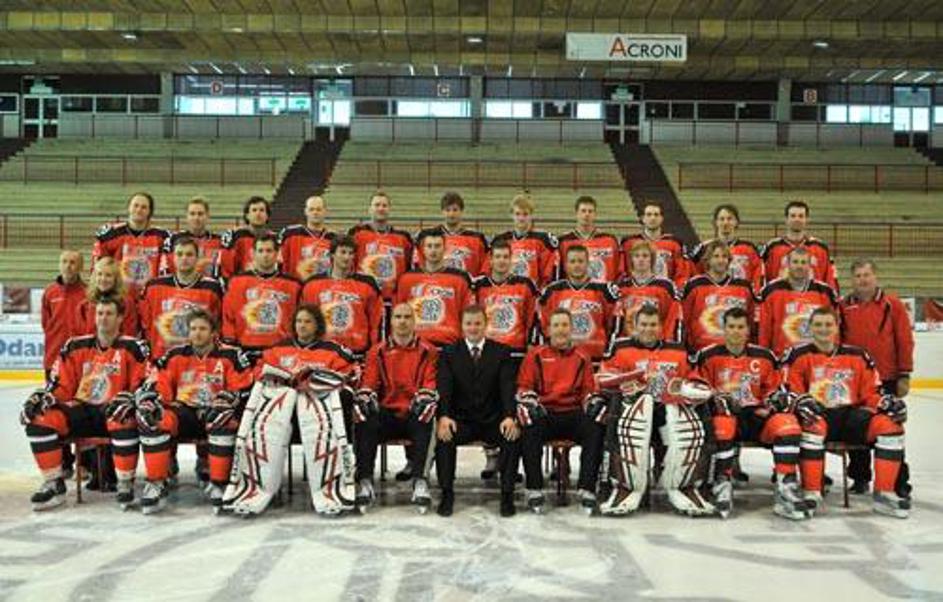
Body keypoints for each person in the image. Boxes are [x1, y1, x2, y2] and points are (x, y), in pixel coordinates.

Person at [224, 305, 360, 516]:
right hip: (280, 414)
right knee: (260, 429)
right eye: (299, 321)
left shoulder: (334, 351)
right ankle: (257, 486)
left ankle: (328, 488)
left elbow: (349, 376)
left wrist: (315, 381)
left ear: (317, 325)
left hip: (317, 414)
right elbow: (259, 372)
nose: (302, 326)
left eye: (308, 321)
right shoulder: (277, 349)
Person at [781, 307, 910, 518]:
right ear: (810, 327)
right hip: (818, 416)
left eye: (828, 324)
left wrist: (886, 401)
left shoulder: (858, 355)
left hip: (852, 418)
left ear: (837, 327)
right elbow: (791, 391)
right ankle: (812, 491)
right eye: (818, 324)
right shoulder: (797, 355)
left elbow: (871, 392)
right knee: (812, 425)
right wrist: (802, 403)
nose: (823, 329)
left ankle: (885, 494)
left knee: (890, 426)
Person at [21, 297, 149, 510]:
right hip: (81, 410)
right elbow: (61, 385)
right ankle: (54, 484)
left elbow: (142, 383)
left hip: (113, 410)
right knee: (40, 418)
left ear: (120, 318)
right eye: (100, 313)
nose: (103, 318)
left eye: (109, 314)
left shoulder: (134, 347)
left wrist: (131, 399)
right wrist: (48, 396)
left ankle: (125, 483)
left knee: (125, 417)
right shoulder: (74, 346)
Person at [596, 305, 715, 517]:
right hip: (632, 412)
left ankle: (685, 484)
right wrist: (629, 381)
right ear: (635, 326)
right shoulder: (621, 348)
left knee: (689, 427)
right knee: (622, 418)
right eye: (643, 324)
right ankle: (624, 485)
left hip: (669, 412)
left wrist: (689, 389)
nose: (648, 329)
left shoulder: (678, 351)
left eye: (653, 324)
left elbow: (695, 379)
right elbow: (604, 378)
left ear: (661, 327)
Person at [693, 307, 809, 520]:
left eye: (740, 327)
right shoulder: (707, 356)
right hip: (727, 416)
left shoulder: (765, 356)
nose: (736, 331)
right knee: (722, 425)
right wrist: (714, 398)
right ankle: (722, 482)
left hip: (757, 415)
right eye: (731, 327)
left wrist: (775, 399)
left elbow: (775, 389)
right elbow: (698, 387)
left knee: (788, 424)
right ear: (724, 329)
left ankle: (786, 488)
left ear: (748, 330)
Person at [136, 309, 254, 514]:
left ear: (213, 332)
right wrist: (153, 400)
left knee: (224, 419)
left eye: (202, 329)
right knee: (155, 418)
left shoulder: (232, 355)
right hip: (183, 411)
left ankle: (219, 484)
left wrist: (228, 400)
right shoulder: (174, 355)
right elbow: (159, 383)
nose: (197, 333)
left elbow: (244, 387)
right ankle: (156, 483)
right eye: (193, 329)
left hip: (215, 412)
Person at [435, 306, 520, 517]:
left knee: (511, 436)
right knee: (444, 437)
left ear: (485, 325)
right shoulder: (449, 353)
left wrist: (510, 416)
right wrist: (444, 416)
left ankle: (507, 494)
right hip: (461, 421)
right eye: (469, 323)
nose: (473, 328)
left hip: (493, 421)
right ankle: (447, 493)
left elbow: (507, 388)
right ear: (462, 326)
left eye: (477, 323)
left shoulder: (501, 352)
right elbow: (445, 388)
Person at [839, 258, 915, 497]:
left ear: (875, 277)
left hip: (887, 377)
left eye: (866, 275)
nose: (862, 280)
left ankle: (898, 481)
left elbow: (904, 340)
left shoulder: (893, 305)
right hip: (854, 380)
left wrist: (904, 373)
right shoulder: (843, 306)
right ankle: (860, 477)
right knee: (856, 427)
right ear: (852, 280)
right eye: (858, 276)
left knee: (890, 428)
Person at [353, 303, 439, 512]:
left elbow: (430, 383)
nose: (402, 321)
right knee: (363, 416)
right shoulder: (377, 351)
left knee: (427, 415)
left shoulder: (429, 351)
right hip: (386, 413)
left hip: (413, 412)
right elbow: (369, 383)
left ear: (414, 321)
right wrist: (366, 398)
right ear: (391, 321)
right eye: (398, 317)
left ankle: (420, 481)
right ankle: (365, 481)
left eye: (407, 317)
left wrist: (423, 399)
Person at [516, 308, 602, 514]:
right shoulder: (535, 355)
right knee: (529, 427)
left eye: (565, 325)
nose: (561, 330)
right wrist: (532, 403)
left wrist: (591, 402)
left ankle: (587, 488)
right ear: (548, 330)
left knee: (596, 427)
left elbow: (588, 389)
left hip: (572, 412)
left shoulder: (582, 356)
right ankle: (534, 488)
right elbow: (524, 387)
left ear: (571, 329)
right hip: (545, 412)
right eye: (556, 325)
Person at [138, 236, 224, 359]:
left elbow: (218, 324)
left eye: (189, 254)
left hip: (197, 359)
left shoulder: (212, 288)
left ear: (197, 258)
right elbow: (145, 323)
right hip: (161, 357)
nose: (184, 258)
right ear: (172, 257)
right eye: (179, 254)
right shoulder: (153, 287)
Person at [300, 235, 383, 358]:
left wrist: (374, 350)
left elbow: (376, 321)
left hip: (357, 353)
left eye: (351, 253)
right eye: (343, 252)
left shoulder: (368, 284)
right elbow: (306, 320)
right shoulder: (312, 284)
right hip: (322, 353)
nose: (347, 257)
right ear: (332, 254)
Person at [222, 234, 301, 354]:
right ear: (253, 254)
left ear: (277, 253)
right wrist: (230, 343)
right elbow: (228, 316)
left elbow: (298, 319)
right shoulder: (236, 282)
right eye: (260, 251)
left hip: (280, 350)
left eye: (269, 251)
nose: (265, 255)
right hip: (245, 348)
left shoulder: (293, 285)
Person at [539, 245, 619, 361]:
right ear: (566, 265)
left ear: (588, 264)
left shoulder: (605, 290)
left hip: (596, 356)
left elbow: (613, 325)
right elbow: (544, 325)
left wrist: (608, 352)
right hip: (562, 357)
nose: (577, 265)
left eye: (581, 261)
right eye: (572, 261)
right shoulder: (552, 291)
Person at [395, 232, 474, 347]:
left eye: (437, 246)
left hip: (449, 345)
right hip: (415, 346)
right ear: (423, 249)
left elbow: (468, 314)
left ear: (444, 248)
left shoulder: (460, 279)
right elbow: (397, 314)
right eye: (429, 246)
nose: (433, 250)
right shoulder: (406, 279)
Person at [758, 247, 838, 357]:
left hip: (816, 358)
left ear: (810, 266)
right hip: (783, 358)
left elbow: (834, 330)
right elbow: (764, 330)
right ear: (787, 264)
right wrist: (764, 357)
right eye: (795, 262)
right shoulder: (771, 291)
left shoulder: (825, 292)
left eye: (803, 262)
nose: (799, 266)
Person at [681, 240, 755, 353]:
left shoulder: (743, 286)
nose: (721, 260)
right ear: (708, 260)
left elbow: (750, 319)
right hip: (702, 349)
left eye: (724, 256)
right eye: (716, 256)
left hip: (735, 350)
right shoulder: (694, 285)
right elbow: (685, 319)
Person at [92, 191, 169, 290]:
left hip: (150, 292)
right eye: (135, 205)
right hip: (118, 292)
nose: (139, 210)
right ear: (129, 207)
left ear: (150, 212)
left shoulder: (161, 236)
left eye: (144, 207)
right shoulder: (111, 234)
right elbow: (98, 267)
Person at [349, 190, 414, 302]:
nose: (381, 208)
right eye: (377, 205)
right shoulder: (356, 234)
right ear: (369, 209)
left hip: (394, 299)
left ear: (389, 209)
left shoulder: (403, 238)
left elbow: (408, 268)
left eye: (384, 205)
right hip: (364, 297)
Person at [762, 200, 838, 291]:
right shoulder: (772, 247)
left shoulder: (821, 248)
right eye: (793, 216)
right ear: (786, 219)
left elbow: (831, 281)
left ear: (807, 219)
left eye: (801, 216)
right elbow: (762, 278)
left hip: (813, 298)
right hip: (780, 298)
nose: (797, 219)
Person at [687, 204, 764, 293]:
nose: (725, 223)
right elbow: (693, 274)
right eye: (722, 219)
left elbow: (758, 275)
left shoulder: (749, 248)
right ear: (716, 222)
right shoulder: (704, 248)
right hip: (713, 297)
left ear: (736, 222)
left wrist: (754, 293)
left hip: (741, 297)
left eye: (729, 219)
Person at [485, 193, 558, 288]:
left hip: (532, 292)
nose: (521, 218)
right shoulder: (501, 239)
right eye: (517, 214)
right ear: (511, 215)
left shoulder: (543, 241)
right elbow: (489, 270)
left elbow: (548, 274)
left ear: (531, 215)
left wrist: (542, 292)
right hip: (505, 291)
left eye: (525, 214)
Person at [615, 240, 681, 342]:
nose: (641, 259)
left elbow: (671, 318)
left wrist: (667, 343)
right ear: (631, 260)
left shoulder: (666, 286)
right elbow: (617, 320)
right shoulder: (621, 287)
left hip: (656, 344)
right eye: (637, 256)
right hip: (629, 343)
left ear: (652, 259)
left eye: (645, 256)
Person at [413, 192, 488, 277]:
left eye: (455, 210)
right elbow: (418, 265)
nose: (451, 214)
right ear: (442, 211)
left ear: (461, 211)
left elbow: (485, 268)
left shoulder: (477, 238)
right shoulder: (427, 236)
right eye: (447, 210)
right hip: (436, 283)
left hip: (466, 283)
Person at [621, 201, 687, 289]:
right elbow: (622, 271)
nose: (652, 218)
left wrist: (674, 291)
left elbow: (681, 274)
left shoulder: (673, 243)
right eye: (649, 214)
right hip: (636, 292)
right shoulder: (629, 243)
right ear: (642, 218)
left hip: (664, 291)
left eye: (656, 215)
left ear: (662, 218)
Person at [41, 250, 85, 378]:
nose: (68, 266)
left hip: (80, 358)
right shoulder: (50, 292)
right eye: (64, 262)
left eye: (72, 262)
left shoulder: (88, 293)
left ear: (81, 267)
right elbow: (46, 324)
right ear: (59, 265)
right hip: (53, 357)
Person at [557, 196, 621, 283]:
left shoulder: (609, 240)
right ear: (576, 213)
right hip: (575, 290)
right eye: (583, 211)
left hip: (603, 289)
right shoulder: (563, 241)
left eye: (590, 211)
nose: (587, 214)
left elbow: (618, 270)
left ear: (595, 214)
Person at [76, 257, 140, 337]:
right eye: (99, 274)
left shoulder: (126, 304)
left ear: (116, 279)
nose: (103, 279)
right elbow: (80, 337)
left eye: (108, 275)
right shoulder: (84, 305)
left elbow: (129, 335)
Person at [278, 195, 337, 281]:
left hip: (323, 285)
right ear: (305, 211)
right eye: (311, 209)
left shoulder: (334, 238)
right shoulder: (290, 233)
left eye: (318, 209)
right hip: (297, 284)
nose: (315, 212)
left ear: (325, 211)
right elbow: (280, 261)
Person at [161, 196, 223, 277]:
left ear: (207, 216)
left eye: (200, 214)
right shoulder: (174, 240)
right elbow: (165, 269)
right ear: (187, 216)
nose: (196, 218)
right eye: (192, 214)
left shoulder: (219, 241)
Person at [219, 196, 273, 279]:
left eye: (262, 210)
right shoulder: (235, 236)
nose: (258, 214)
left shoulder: (274, 238)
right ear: (247, 215)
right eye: (254, 210)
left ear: (267, 215)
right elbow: (226, 267)